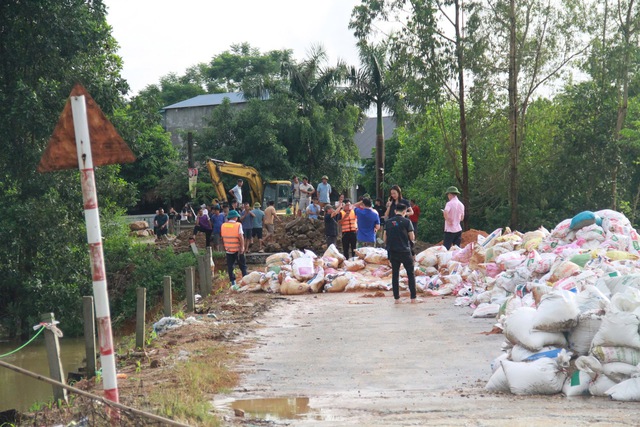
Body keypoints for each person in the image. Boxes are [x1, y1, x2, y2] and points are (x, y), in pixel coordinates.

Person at [384, 203, 417, 303]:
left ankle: (397, 298)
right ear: (404, 212)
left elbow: (384, 238)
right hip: (405, 251)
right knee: (410, 274)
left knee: (395, 274)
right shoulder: (407, 221)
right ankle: (413, 298)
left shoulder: (388, 222)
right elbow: (412, 237)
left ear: (395, 211)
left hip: (393, 252)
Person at [221, 210, 247, 289]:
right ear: (235, 217)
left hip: (228, 249)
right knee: (243, 266)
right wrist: (242, 247)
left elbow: (222, 237)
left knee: (230, 266)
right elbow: (241, 237)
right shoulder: (238, 225)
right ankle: (245, 281)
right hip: (238, 249)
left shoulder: (223, 225)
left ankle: (233, 282)